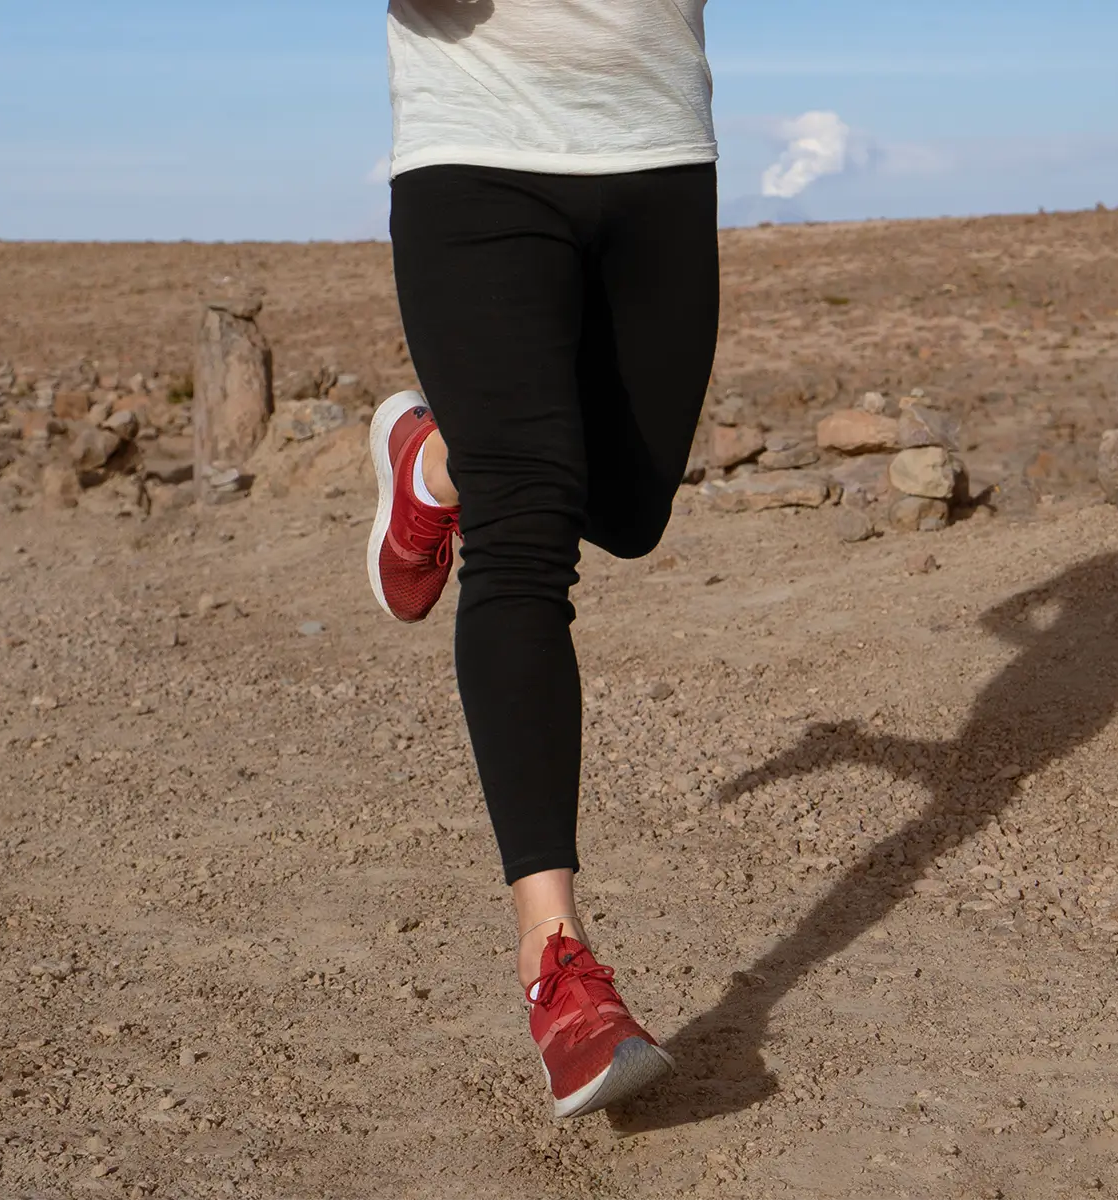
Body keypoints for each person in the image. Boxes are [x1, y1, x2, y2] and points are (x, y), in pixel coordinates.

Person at [366, 0, 719, 1119]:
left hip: (659, 137)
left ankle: (441, 462)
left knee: (626, 507)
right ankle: (559, 971)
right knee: (527, 541)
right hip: (479, 144)